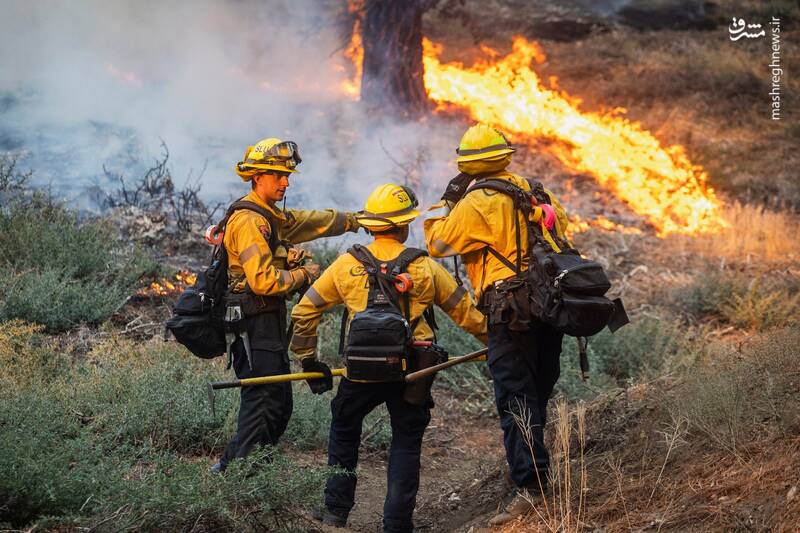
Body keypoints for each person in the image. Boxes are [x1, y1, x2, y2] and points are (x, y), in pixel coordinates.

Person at [290, 183, 487, 533]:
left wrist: (308, 360)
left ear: (370, 225)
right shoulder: (425, 267)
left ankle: (335, 511)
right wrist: (498, 345)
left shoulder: (346, 265)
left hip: (361, 372)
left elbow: (305, 311)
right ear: (404, 225)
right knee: (406, 442)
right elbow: (467, 315)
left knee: (345, 428)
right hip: (413, 372)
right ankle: (397, 524)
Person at [423, 124, 572, 526]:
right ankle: (532, 467)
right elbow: (562, 232)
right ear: (505, 156)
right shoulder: (537, 191)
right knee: (536, 391)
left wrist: (446, 200)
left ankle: (531, 486)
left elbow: (437, 244)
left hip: (510, 311)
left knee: (515, 397)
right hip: (548, 306)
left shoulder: (478, 201)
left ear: (467, 164)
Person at [212, 137, 361, 473]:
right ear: (257, 177)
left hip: (265, 320)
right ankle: (235, 475)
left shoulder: (270, 217)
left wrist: (353, 220)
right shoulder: (250, 221)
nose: (285, 182)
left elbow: (310, 221)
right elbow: (262, 281)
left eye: (287, 175)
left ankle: (251, 472)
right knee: (264, 399)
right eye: (278, 175)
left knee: (278, 401)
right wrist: (304, 275)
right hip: (252, 321)